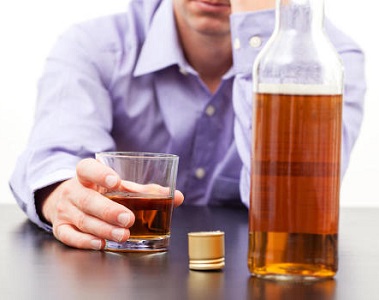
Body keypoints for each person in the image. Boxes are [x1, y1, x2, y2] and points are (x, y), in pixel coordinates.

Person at [10, 0, 365, 250]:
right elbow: (57, 155)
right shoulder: (95, 46)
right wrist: (61, 196)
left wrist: (255, 30)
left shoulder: (329, 59)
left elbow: (294, 199)